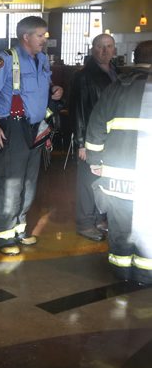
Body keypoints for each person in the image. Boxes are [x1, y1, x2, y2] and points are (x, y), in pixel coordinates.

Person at [0, 16, 63, 255]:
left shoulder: (43, 59)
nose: (44, 40)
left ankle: (18, 229)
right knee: (10, 182)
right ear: (26, 36)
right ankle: (2, 235)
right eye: (40, 35)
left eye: (44, 35)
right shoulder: (5, 59)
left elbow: (42, 87)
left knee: (28, 181)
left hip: (36, 127)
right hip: (12, 127)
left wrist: (55, 91)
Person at [85, 40, 152, 285]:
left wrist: (94, 160)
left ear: (135, 58)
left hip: (117, 176)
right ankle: (146, 273)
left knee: (120, 224)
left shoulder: (116, 88)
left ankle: (121, 270)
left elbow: (96, 127)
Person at [69, 34, 117, 241]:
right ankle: (85, 222)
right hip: (90, 137)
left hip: (110, 137)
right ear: (92, 49)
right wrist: (81, 143)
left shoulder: (115, 73)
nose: (105, 51)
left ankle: (98, 218)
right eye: (100, 47)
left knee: (102, 179)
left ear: (114, 49)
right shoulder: (84, 76)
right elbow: (78, 110)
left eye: (109, 46)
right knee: (88, 182)